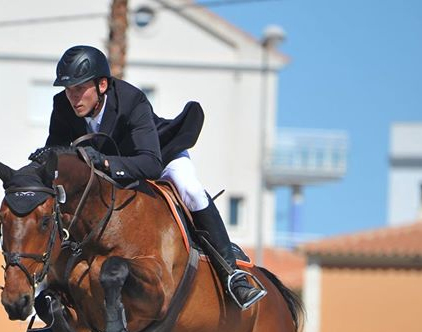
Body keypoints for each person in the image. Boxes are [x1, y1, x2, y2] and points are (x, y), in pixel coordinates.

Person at [32, 45, 265, 309]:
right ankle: (47, 288)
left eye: (79, 89)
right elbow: (58, 155)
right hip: (109, 168)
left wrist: (106, 161)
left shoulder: (132, 101)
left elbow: (150, 164)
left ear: (102, 85)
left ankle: (233, 276)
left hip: (160, 156)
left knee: (191, 190)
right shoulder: (62, 106)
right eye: (68, 89)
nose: (73, 98)